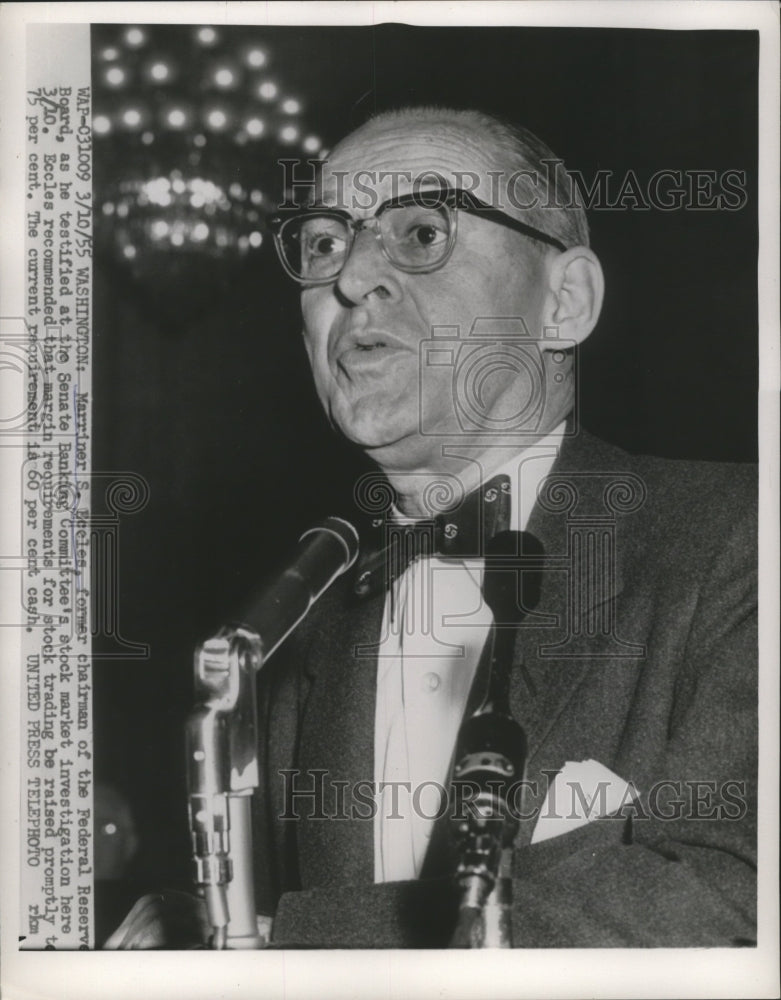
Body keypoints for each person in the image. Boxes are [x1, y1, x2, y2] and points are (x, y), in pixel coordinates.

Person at [108, 106, 757, 949]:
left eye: (419, 233)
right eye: (323, 243)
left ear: (564, 302)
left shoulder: (740, 537)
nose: (349, 281)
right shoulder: (296, 632)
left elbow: (740, 900)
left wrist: (281, 944)